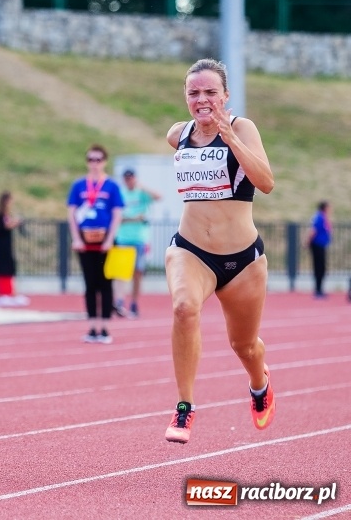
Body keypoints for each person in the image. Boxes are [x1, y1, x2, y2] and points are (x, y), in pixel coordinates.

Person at [163, 58, 276, 444]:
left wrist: (231, 137)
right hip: (191, 249)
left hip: (243, 260)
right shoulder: (178, 134)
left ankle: (259, 385)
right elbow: (178, 141)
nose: (202, 99)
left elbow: (266, 182)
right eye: (194, 92)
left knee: (244, 345)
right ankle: (184, 407)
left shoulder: (242, 127)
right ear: (186, 97)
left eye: (211, 92)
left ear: (225, 96)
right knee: (183, 308)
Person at [67, 144, 123, 344]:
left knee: (105, 284)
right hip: (84, 241)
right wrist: (76, 238)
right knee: (90, 284)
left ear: (104, 162)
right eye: (91, 159)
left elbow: (117, 214)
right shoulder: (79, 186)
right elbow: (72, 213)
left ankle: (105, 328)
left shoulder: (112, 186)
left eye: (98, 159)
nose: (94, 163)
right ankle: (92, 327)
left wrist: (109, 239)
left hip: (106, 241)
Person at [114, 168, 161, 318]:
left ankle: (134, 302)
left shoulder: (141, 193)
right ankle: (119, 301)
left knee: (137, 272)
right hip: (123, 238)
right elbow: (118, 216)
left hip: (140, 238)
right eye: (127, 178)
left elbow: (158, 197)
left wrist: (142, 186)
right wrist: (134, 218)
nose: (129, 181)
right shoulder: (120, 193)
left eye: (131, 178)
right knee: (121, 272)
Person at [0, 191, 29, 307]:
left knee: (8, 269)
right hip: (1, 248)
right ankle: (3, 294)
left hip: (5, 248)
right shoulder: (0, 216)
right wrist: (16, 222)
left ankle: (10, 293)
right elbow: (5, 226)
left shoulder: (3, 215)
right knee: (3, 269)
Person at [306, 200, 331, 299]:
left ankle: (319, 289)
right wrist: (307, 241)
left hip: (321, 245)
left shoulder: (322, 217)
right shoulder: (319, 217)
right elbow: (313, 230)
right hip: (317, 245)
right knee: (319, 267)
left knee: (321, 267)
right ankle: (318, 290)